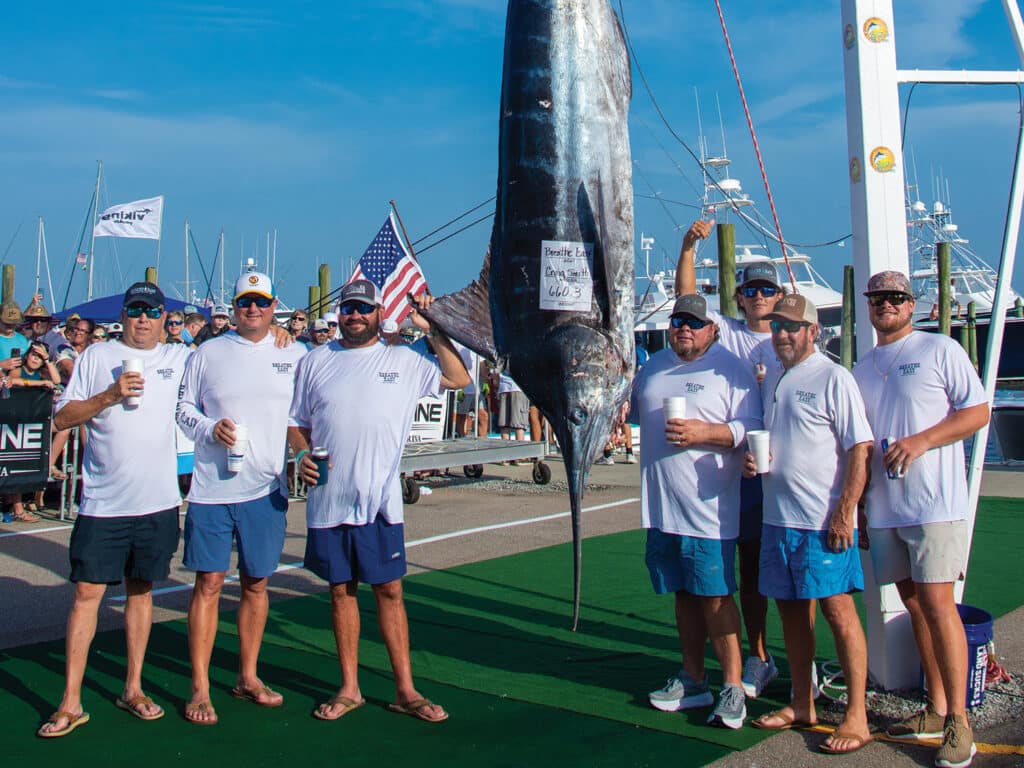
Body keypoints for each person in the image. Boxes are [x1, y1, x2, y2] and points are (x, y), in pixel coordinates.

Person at [287, 279, 468, 723]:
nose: (355, 316)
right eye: (348, 309)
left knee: (389, 590)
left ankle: (405, 689)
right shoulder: (314, 362)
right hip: (329, 499)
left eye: (363, 309)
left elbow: (459, 377)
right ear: (339, 314)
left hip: (381, 502)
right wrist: (300, 453)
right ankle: (349, 687)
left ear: (378, 313)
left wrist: (433, 328)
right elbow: (296, 422)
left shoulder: (404, 360)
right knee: (340, 591)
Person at [36, 282, 191, 738]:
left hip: (158, 501)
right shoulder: (96, 356)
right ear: (123, 315)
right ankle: (70, 700)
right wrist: (107, 396)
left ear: (165, 318)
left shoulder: (180, 358)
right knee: (87, 594)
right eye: (135, 310)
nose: (143, 318)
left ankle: (134, 688)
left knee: (141, 592)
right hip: (103, 502)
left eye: (152, 311)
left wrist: (282, 336)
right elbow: (62, 419)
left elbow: (236, 354)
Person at [852, 271, 989, 768]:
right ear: (868, 306)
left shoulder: (940, 350)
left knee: (938, 605)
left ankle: (961, 724)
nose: (885, 305)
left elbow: (978, 413)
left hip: (934, 504)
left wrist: (922, 441)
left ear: (911, 305)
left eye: (895, 298)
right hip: (885, 509)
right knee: (913, 605)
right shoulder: (862, 367)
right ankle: (935, 707)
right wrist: (861, 505)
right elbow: (860, 445)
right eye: (877, 298)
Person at [742, 295, 873, 754]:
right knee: (791, 610)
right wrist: (753, 461)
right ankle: (802, 702)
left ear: (813, 331)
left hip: (823, 521)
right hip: (778, 519)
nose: (782, 334)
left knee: (838, 609)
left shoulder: (834, 377)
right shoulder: (773, 377)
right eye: (777, 326)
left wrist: (846, 510)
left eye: (792, 327)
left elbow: (860, 448)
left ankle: (856, 713)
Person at [176, 271, 305, 725]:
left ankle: (247, 676)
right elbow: (183, 410)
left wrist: (305, 454)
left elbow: (302, 415)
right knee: (208, 584)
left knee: (257, 583)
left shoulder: (295, 353)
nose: (253, 309)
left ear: (274, 306)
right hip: (212, 490)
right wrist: (211, 428)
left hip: (265, 488)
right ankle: (200, 687)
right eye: (245, 302)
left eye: (261, 302)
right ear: (233, 307)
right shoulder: (207, 352)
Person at [633, 293, 762, 729]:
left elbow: (754, 429)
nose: (684, 327)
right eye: (678, 320)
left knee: (716, 596)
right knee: (683, 594)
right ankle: (693, 679)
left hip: (708, 510)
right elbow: (629, 410)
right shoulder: (653, 366)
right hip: (662, 506)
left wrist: (707, 432)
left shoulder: (731, 369)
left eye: (694, 321)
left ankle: (731, 685)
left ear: (712, 329)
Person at [676, 219, 784, 698]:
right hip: (735, 468)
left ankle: (762, 654)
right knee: (733, 565)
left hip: (780, 469)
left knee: (767, 569)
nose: (758, 296)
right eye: (751, 290)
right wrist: (688, 249)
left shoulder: (792, 340)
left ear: (779, 297)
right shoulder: (731, 335)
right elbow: (685, 305)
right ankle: (738, 661)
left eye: (766, 289)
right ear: (739, 298)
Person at [56, 318, 94, 383]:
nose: (77, 332)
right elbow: (70, 371)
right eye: (76, 329)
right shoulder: (63, 348)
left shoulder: (93, 350)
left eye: (82, 330)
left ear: (89, 335)